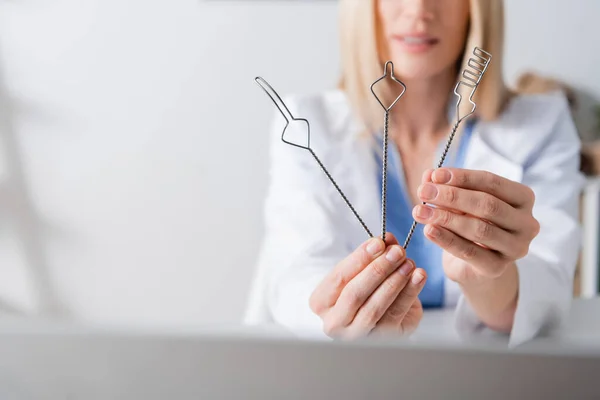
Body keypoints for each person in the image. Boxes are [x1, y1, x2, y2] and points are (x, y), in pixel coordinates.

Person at [245, 0, 584, 346]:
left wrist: (485, 277)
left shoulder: (542, 124)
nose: (419, 10)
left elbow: (546, 289)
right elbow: (295, 274)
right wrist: (341, 313)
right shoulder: (311, 125)